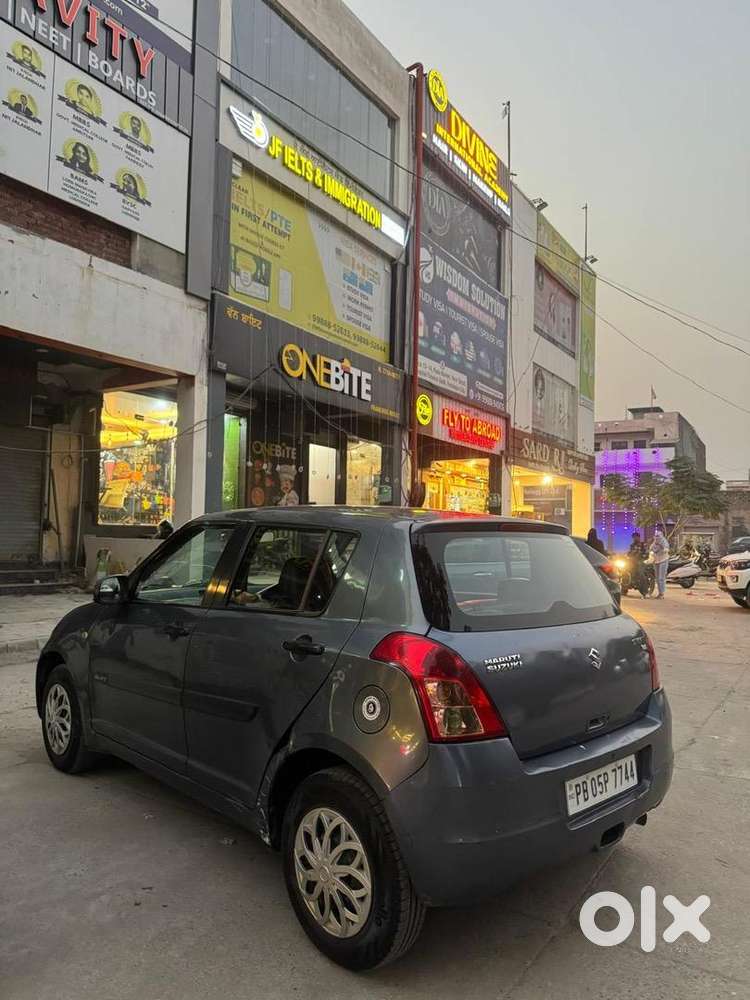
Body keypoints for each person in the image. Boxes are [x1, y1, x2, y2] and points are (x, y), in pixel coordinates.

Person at [650, 529, 670, 599]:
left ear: (661, 536)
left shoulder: (664, 541)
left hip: (663, 560)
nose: (657, 537)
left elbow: (666, 548)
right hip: (656, 561)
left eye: (658, 536)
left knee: (661, 578)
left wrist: (664, 549)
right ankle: (659, 593)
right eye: (655, 536)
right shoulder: (654, 543)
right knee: (657, 578)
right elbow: (651, 549)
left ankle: (662, 594)